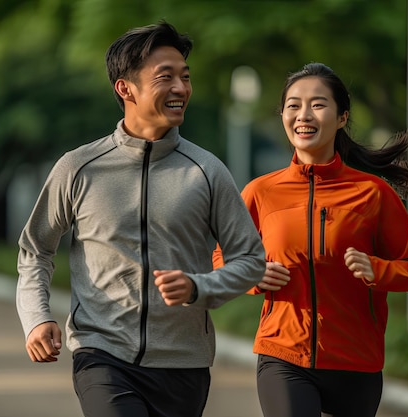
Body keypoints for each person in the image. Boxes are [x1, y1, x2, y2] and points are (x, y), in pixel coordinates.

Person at [16, 21, 266, 417]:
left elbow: (251, 260)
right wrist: (36, 317)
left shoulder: (206, 170)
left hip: (184, 365)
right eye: (165, 77)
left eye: (185, 77)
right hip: (102, 355)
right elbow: (35, 250)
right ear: (125, 88)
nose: (181, 89)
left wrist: (199, 287)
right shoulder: (80, 168)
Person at [213, 62, 408, 417]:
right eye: (293, 105)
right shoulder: (261, 192)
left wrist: (376, 270)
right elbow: (221, 258)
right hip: (284, 355)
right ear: (282, 114)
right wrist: (252, 275)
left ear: (342, 117)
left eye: (317, 104)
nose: (303, 114)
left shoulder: (372, 194)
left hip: (356, 362)